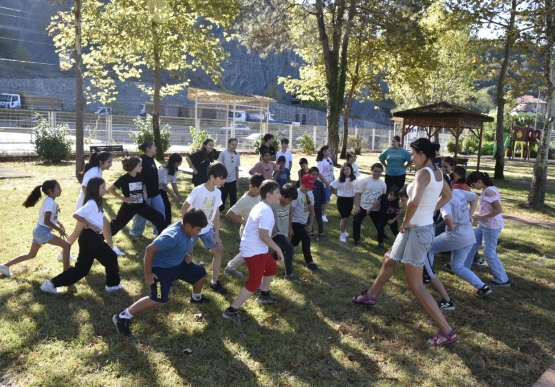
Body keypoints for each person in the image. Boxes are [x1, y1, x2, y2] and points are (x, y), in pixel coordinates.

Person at [352, 138, 457, 347]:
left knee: (415, 285)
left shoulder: (423, 173)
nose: (411, 158)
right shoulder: (438, 173)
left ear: (422, 154)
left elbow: (414, 201)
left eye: (413, 154)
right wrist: (431, 211)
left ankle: (447, 331)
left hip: (416, 231)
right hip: (419, 229)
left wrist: (406, 222)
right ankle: (371, 295)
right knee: (389, 259)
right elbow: (447, 194)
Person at [112, 209, 210, 336]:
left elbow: (180, 245)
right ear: (188, 226)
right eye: (198, 229)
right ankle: (122, 316)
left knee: (200, 273)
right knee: (158, 298)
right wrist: (147, 273)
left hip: (178, 263)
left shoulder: (187, 230)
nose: (200, 232)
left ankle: (196, 298)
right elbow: (149, 250)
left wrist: (185, 255)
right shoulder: (172, 236)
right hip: (161, 268)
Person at [40, 178, 124, 294]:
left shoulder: (96, 202)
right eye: (103, 187)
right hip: (90, 238)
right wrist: (90, 225)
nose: (105, 189)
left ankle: (50, 284)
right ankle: (112, 285)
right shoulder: (92, 203)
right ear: (95, 189)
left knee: (81, 270)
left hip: (89, 238)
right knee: (111, 257)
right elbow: (77, 214)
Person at [222, 180, 285, 322]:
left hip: (259, 249)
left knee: (271, 268)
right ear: (268, 195)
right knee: (254, 282)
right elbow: (264, 235)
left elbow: (263, 233)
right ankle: (231, 311)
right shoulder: (265, 210)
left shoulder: (262, 206)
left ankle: (264, 295)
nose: (280, 195)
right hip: (254, 251)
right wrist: (278, 249)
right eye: (277, 193)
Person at [430, 185, 494, 299]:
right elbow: (475, 197)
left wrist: (451, 226)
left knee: (428, 247)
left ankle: (427, 276)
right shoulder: (458, 192)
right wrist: (469, 215)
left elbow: (447, 217)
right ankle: (483, 287)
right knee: (457, 266)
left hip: (455, 236)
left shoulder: (444, 200)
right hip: (469, 235)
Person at [398, 186, 456, 310]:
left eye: (402, 199)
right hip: (418, 245)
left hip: (423, 246)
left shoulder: (418, 214)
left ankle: (447, 300)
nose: (400, 202)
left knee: (430, 273)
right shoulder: (412, 213)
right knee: (391, 258)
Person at [0, 180, 71, 278]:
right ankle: (66, 274)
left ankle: (4, 266)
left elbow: (47, 218)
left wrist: (59, 223)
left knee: (31, 255)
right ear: (50, 191)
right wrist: (59, 229)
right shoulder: (50, 203)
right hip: (42, 231)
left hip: (38, 230)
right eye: (58, 188)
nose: (61, 190)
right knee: (66, 246)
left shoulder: (49, 201)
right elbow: (46, 221)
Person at [181, 162, 228, 294]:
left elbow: (217, 214)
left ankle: (214, 282)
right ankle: (173, 273)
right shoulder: (198, 190)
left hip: (207, 229)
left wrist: (217, 235)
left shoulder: (218, 193)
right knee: (182, 253)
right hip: (192, 230)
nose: (223, 181)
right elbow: (184, 208)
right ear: (212, 177)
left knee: (218, 251)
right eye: (221, 178)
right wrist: (187, 228)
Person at [65, 151, 119, 259]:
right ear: (101, 162)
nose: (111, 165)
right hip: (87, 204)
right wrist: (92, 202)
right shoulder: (94, 171)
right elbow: (84, 187)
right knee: (78, 230)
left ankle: (110, 249)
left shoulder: (98, 171)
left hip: (93, 203)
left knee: (106, 225)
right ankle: (63, 253)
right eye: (109, 162)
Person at [464, 171, 510, 287]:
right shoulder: (487, 189)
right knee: (471, 244)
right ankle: (463, 268)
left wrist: (480, 217)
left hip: (491, 227)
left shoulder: (489, 191)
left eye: (473, 184)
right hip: (484, 225)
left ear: (479, 181)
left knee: (489, 253)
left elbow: (498, 210)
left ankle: (502, 279)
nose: (473, 187)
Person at [109, 156, 168, 237]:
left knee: (159, 217)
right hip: (128, 207)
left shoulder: (140, 176)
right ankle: (101, 238)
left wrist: (145, 193)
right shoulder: (124, 179)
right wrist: (123, 198)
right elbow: (111, 189)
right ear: (133, 167)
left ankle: (161, 236)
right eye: (140, 165)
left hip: (141, 205)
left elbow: (143, 184)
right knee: (116, 225)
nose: (142, 167)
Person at [223, 173, 265, 277]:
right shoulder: (244, 200)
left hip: (257, 230)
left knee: (256, 251)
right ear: (251, 186)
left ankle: (259, 272)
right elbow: (230, 213)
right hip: (246, 231)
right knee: (247, 252)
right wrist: (244, 222)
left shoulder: (259, 195)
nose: (260, 192)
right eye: (258, 189)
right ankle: (229, 268)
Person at [130, 141, 165, 236]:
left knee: (161, 209)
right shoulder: (141, 159)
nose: (156, 147)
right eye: (153, 146)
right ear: (148, 149)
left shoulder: (151, 159)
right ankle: (135, 233)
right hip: (144, 192)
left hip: (155, 191)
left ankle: (159, 231)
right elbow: (136, 174)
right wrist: (143, 192)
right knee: (141, 214)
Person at [291, 174, 321, 273]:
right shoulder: (296, 194)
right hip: (295, 222)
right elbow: (291, 211)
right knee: (306, 239)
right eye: (306, 185)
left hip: (303, 222)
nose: (308, 188)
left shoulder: (310, 194)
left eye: (310, 186)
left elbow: (312, 211)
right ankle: (310, 262)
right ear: (301, 183)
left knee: (294, 242)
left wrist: (311, 224)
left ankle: (275, 254)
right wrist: (289, 227)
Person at [352, 163, 387, 247]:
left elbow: (383, 197)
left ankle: (381, 242)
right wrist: (357, 206)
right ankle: (356, 240)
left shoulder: (383, 184)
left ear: (382, 172)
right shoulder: (364, 181)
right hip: (363, 207)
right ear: (371, 170)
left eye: (379, 172)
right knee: (356, 222)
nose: (377, 173)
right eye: (375, 171)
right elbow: (357, 193)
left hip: (375, 209)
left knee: (379, 226)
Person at [271, 183, 299, 283]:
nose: (290, 202)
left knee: (279, 251)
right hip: (275, 233)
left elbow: (290, 212)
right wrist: (271, 229)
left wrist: (290, 227)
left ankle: (265, 260)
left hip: (284, 232)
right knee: (289, 248)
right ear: (282, 196)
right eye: (289, 200)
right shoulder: (273, 205)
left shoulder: (289, 203)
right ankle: (289, 274)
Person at [330, 163, 357, 243]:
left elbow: (357, 189)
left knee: (347, 218)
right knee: (344, 217)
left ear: (351, 170)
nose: (346, 171)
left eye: (347, 169)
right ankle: (342, 234)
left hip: (350, 201)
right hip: (341, 201)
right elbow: (331, 186)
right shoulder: (340, 180)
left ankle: (344, 231)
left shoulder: (354, 179)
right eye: (344, 169)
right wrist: (337, 194)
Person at [158, 153, 183, 225]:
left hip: (162, 190)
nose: (180, 164)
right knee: (164, 206)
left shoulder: (174, 170)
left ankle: (167, 224)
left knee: (167, 206)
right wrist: (173, 196)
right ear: (175, 162)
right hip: (157, 189)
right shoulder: (163, 169)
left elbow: (173, 183)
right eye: (179, 162)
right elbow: (164, 185)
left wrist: (178, 194)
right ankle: (164, 224)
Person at [218, 138, 240, 213]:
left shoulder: (237, 155)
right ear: (228, 144)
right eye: (232, 144)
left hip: (233, 180)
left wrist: (237, 181)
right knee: (222, 196)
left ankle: (233, 212)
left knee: (233, 196)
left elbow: (237, 168)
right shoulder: (223, 153)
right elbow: (219, 167)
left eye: (235, 145)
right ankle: (220, 210)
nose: (234, 146)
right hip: (224, 180)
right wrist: (221, 179)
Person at [316, 145, 334, 222]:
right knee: (325, 199)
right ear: (324, 151)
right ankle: (323, 215)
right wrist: (326, 182)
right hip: (324, 183)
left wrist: (333, 179)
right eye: (328, 150)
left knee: (328, 198)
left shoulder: (329, 159)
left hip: (330, 182)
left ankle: (322, 213)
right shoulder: (321, 162)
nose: (330, 152)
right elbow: (319, 174)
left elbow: (331, 170)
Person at [309, 166, 328, 241]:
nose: (314, 176)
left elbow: (323, 194)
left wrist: (323, 203)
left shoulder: (320, 184)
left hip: (318, 205)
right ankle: (311, 233)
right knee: (310, 219)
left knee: (319, 220)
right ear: (309, 174)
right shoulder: (307, 183)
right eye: (312, 174)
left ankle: (321, 233)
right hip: (309, 205)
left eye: (316, 174)